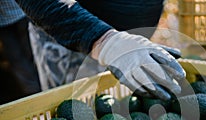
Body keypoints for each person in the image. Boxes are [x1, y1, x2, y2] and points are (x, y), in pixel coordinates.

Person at [15, 0, 186, 100]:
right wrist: (105, 42)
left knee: (118, 105)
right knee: (75, 115)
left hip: (131, 45)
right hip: (73, 36)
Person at [0, 0, 41, 104]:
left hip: (22, 14)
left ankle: (45, 89)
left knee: (34, 55)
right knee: (18, 62)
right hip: (4, 23)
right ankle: (35, 97)